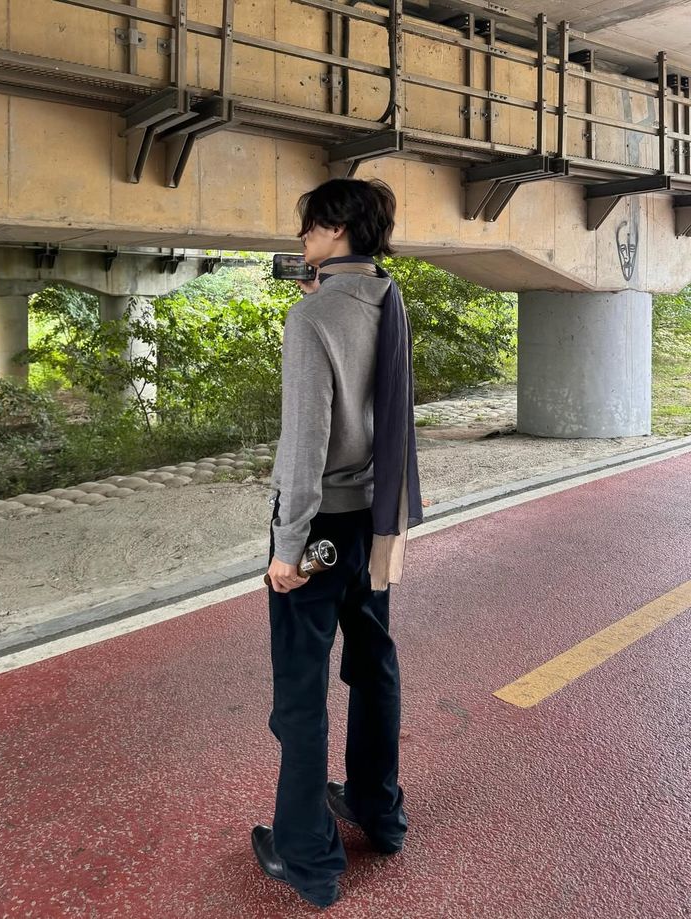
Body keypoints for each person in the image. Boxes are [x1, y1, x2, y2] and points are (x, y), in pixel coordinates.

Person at [251, 178, 422, 909]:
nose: (302, 238)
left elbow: (306, 442)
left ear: (338, 228)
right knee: (373, 663)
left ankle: (307, 856)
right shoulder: (388, 300)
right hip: (376, 521)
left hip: (320, 525)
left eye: (310, 226)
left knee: (301, 690)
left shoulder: (312, 316)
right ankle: (379, 811)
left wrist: (288, 544)